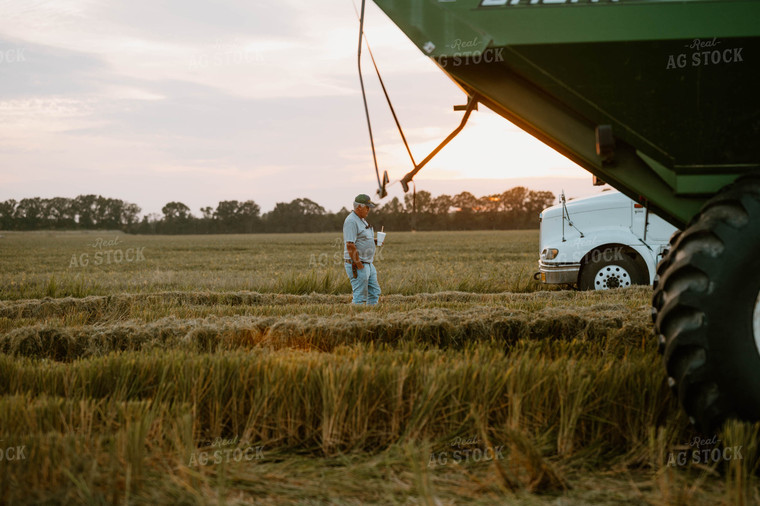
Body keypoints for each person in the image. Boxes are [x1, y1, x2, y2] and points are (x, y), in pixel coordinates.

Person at [343, 194, 381, 305]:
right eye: (367, 207)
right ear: (359, 207)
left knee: (374, 292)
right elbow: (350, 245)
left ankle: (372, 317)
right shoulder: (351, 221)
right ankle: (355, 319)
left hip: (368, 263)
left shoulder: (361, 219)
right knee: (360, 296)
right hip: (358, 264)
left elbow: (361, 238)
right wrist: (359, 265)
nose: (368, 210)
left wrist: (373, 241)